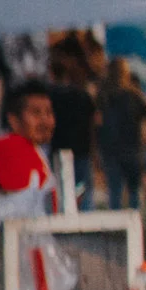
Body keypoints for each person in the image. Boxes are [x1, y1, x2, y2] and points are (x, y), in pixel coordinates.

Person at [0, 80, 56, 219]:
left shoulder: (34, 150)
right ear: (14, 120)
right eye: (36, 113)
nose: (45, 120)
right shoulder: (9, 149)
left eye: (48, 112)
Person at [96, 60, 146, 210]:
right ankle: (137, 224)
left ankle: (117, 228)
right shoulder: (134, 94)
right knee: (135, 191)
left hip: (111, 149)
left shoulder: (102, 96)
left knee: (115, 191)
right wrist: (144, 137)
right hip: (132, 148)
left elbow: (97, 122)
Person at [45, 52, 97, 207]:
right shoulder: (82, 95)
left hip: (59, 149)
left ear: (52, 73)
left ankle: (63, 221)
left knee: (60, 192)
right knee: (83, 191)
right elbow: (93, 121)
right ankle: (88, 225)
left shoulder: (50, 96)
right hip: (82, 149)